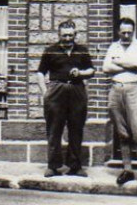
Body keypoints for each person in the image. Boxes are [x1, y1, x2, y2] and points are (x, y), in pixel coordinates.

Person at [35, 19, 95, 177]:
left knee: (76, 128)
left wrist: (81, 73)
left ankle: (75, 165)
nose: (67, 39)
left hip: (76, 91)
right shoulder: (50, 50)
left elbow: (91, 70)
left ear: (75, 34)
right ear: (59, 35)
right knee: (54, 129)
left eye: (70, 35)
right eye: (64, 36)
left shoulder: (82, 50)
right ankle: (53, 165)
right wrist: (44, 92)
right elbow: (40, 72)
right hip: (57, 90)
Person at [102, 16, 137, 196]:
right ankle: (128, 169)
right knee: (122, 133)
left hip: (135, 90)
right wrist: (126, 65)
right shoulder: (113, 47)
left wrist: (118, 62)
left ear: (133, 32)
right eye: (123, 32)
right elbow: (106, 68)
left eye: (129, 32)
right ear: (118, 32)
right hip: (116, 90)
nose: (125, 35)